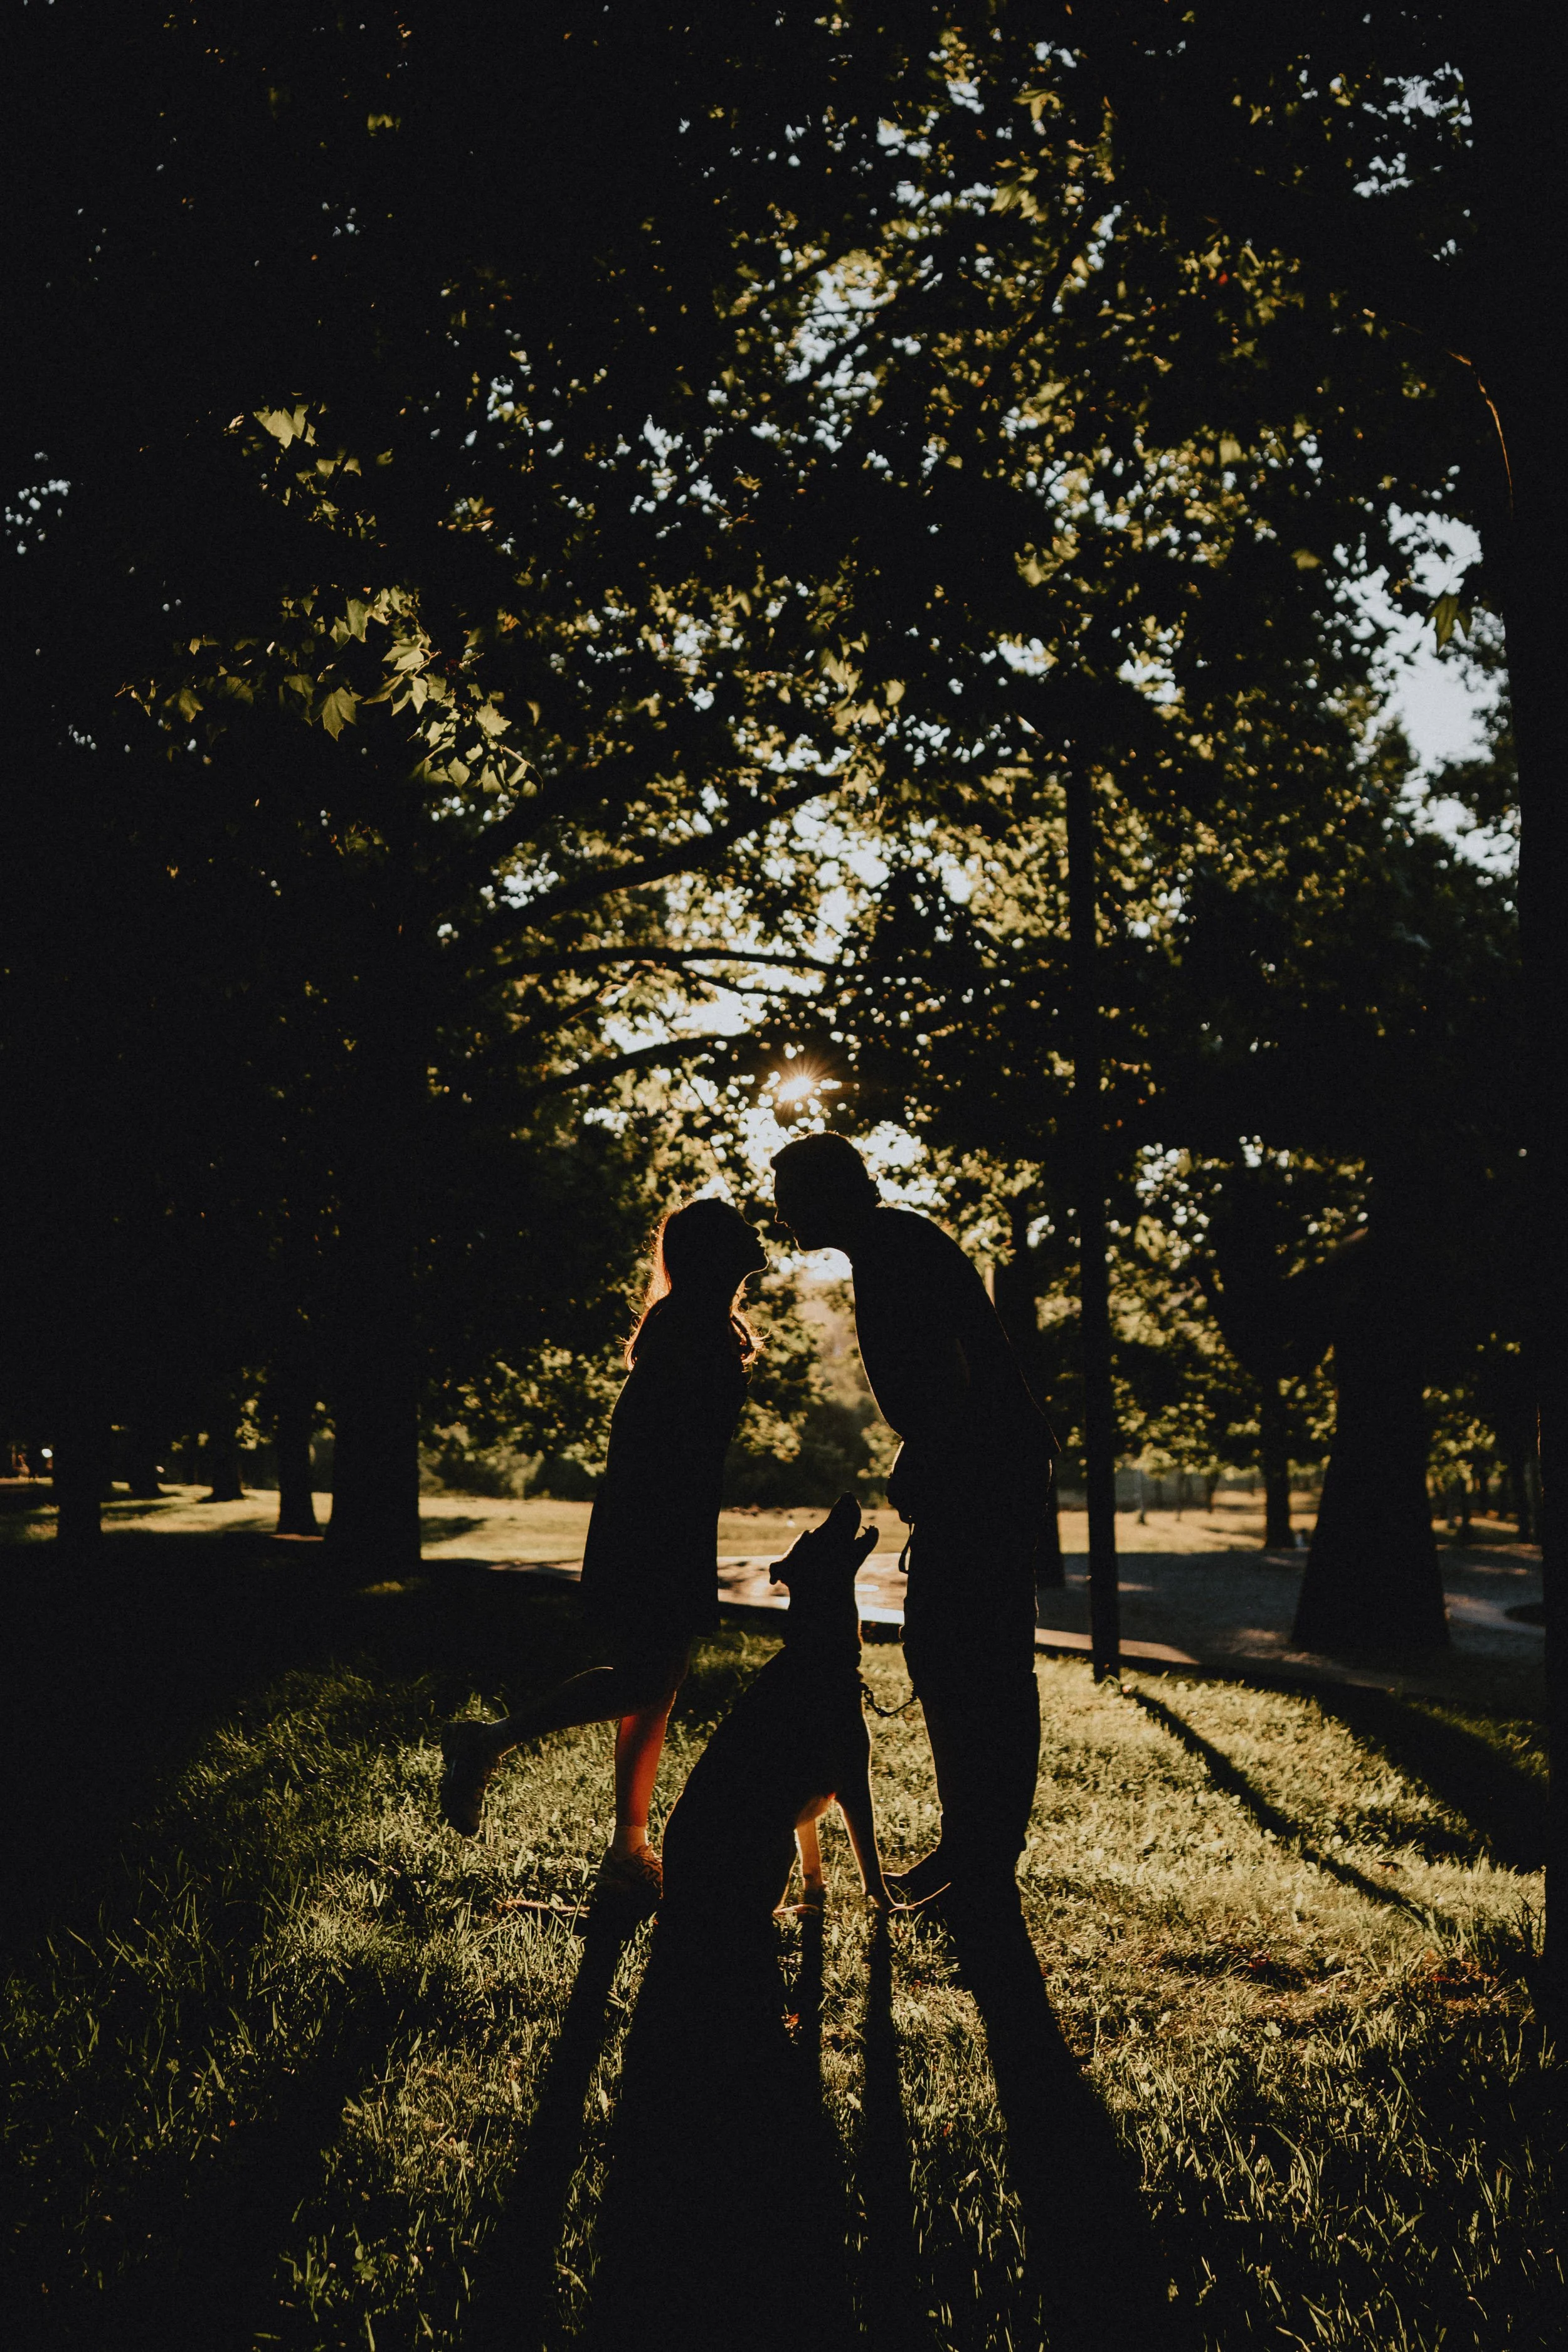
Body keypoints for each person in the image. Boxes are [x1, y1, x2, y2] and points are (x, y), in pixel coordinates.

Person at [437, 1196, 767, 1914]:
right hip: (657, 1523)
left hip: (661, 1522)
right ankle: (487, 1742)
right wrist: (667, 1537)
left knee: (656, 1678)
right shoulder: (690, 1326)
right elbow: (664, 1443)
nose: (757, 1230)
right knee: (648, 1674)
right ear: (714, 1251)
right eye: (738, 1226)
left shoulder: (698, 1322)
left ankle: (627, 1846)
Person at [770, 1133, 1055, 1905]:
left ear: (830, 1190)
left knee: (977, 1664)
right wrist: (921, 1453)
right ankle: (971, 1853)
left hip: (985, 1474)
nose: (778, 1208)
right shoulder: (885, 1245)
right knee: (951, 1657)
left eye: (788, 1190)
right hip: (977, 1468)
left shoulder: (895, 1247)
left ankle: (983, 1860)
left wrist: (932, 1457)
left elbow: (956, 1374)